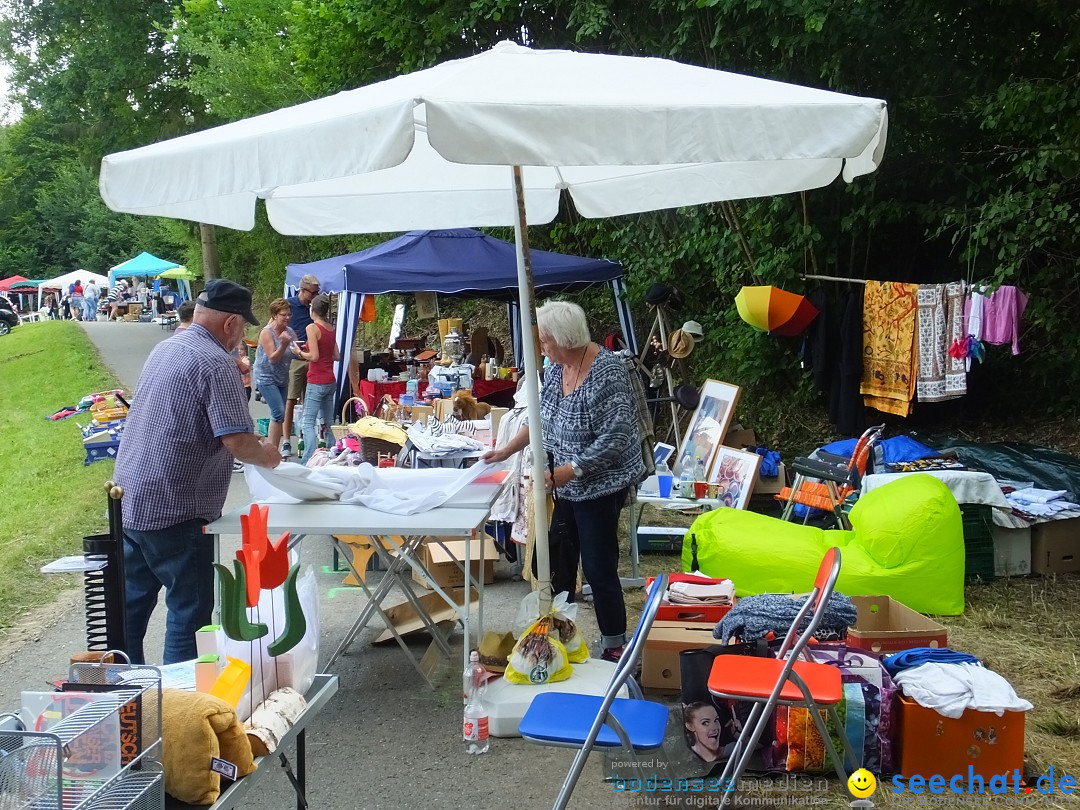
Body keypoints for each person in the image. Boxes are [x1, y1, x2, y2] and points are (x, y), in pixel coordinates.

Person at [113, 279, 281, 665]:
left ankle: (123, 699)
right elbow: (237, 441)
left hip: (131, 495)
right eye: (243, 327)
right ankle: (182, 709)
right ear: (230, 324)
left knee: (130, 607)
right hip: (177, 505)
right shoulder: (216, 362)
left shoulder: (166, 348)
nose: (242, 336)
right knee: (188, 611)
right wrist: (271, 457)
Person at [482, 300, 644, 662]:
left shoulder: (607, 371)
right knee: (557, 557)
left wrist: (565, 472)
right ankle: (559, 635)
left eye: (545, 341)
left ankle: (615, 644)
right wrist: (505, 450)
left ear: (566, 339)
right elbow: (540, 417)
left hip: (599, 486)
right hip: (563, 483)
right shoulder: (555, 369)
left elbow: (615, 440)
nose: (542, 348)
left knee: (599, 566)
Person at [294, 293, 340, 464]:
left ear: (312, 309)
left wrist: (300, 352)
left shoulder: (312, 328)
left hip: (316, 380)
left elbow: (313, 356)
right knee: (328, 421)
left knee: (308, 422)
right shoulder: (330, 329)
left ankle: (308, 459)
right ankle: (332, 455)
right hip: (330, 380)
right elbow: (336, 355)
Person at [281, 274, 320, 457]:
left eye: (317, 292)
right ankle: (287, 440)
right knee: (291, 398)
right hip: (295, 358)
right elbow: (277, 325)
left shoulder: (315, 308)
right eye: (313, 292)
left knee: (308, 399)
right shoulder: (288, 305)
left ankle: (305, 438)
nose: (315, 295)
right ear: (302, 290)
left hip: (311, 357)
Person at [253, 298, 299, 456]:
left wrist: (302, 350)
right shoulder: (267, 332)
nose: (287, 317)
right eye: (283, 315)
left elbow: (296, 351)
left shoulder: (290, 331)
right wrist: (284, 345)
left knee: (280, 414)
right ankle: (271, 452)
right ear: (274, 315)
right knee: (278, 412)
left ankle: (273, 450)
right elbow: (273, 358)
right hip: (265, 376)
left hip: (282, 377)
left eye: (289, 314)